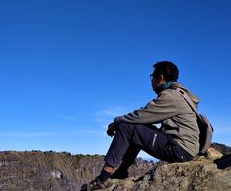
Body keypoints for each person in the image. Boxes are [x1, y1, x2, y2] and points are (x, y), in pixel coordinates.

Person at [83, 61, 200, 190]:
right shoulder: (180, 94)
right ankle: (122, 172)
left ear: (160, 78)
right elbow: (144, 118)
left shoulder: (171, 96)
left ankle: (103, 178)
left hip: (180, 150)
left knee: (127, 126)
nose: (151, 81)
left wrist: (117, 122)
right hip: (184, 148)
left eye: (152, 76)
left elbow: (141, 115)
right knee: (137, 128)